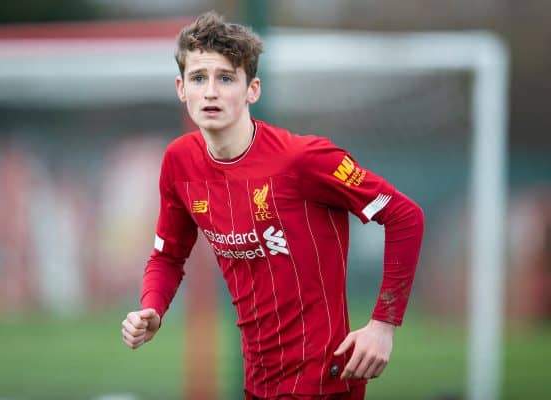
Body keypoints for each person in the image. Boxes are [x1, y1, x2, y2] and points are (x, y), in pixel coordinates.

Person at [121, 11, 424, 400]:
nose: (210, 91)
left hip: (324, 383)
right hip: (258, 381)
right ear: (182, 89)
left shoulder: (305, 159)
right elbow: (167, 256)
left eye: (226, 78)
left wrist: (384, 324)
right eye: (199, 78)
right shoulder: (179, 161)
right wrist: (152, 309)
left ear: (253, 90)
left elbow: (404, 216)